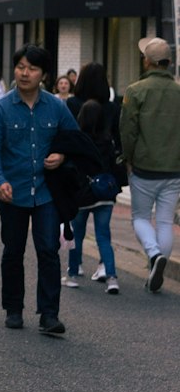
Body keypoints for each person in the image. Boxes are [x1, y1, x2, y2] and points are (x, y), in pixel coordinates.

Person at [0, 43, 79, 335]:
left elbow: (75, 140)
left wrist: (62, 156)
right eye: (21, 67)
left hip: (47, 193)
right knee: (12, 251)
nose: (25, 73)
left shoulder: (57, 107)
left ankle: (49, 314)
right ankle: (13, 309)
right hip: (12, 192)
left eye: (32, 68)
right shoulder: (0, 109)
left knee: (48, 250)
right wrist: (0, 181)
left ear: (43, 75)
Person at [119, 35, 180, 293]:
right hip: (174, 167)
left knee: (140, 217)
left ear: (148, 62)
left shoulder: (136, 91)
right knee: (165, 221)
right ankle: (157, 268)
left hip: (144, 166)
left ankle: (154, 256)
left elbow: (128, 131)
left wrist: (128, 158)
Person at [62, 99, 121, 294]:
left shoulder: (78, 139)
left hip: (83, 194)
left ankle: (72, 272)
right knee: (103, 236)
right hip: (105, 193)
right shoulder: (108, 141)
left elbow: (72, 168)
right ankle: (112, 278)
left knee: (76, 235)